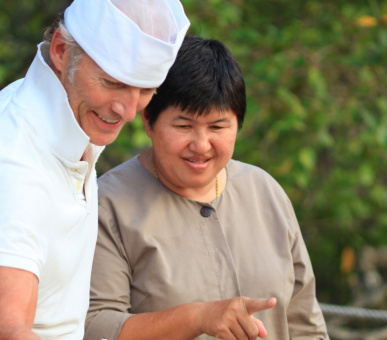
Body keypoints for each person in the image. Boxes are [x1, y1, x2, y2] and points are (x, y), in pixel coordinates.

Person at [85, 35, 330, 340]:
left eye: (218, 127)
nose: (201, 145)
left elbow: (305, 326)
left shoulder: (265, 192)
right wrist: (196, 318)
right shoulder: (107, 205)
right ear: (148, 120)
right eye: (184, 126)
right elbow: (95, 326)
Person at [0, 0, 190, 338]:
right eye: (113, 83)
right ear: (61, 50)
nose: (129, 111)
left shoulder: (71, 112)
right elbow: (9, 327)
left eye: (146, 90)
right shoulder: (16, 163)